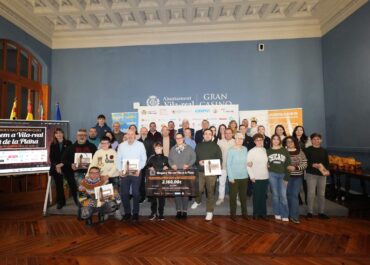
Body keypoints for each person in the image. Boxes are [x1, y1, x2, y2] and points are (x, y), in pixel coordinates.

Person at [116, 129, 147, 222]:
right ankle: (127, 213)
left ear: (135, 135)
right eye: (128, 134)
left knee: (136, 193)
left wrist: (139, 169)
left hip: (136, 172)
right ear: (126, 135)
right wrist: (119, 170)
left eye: (132, 134)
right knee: (124, 193)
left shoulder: (140, 145)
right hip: (124, 173)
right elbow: (118, 159)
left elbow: (143, 159)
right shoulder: (121, 146)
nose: (130, 136)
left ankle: (136, 213)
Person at [192, 129, 223, 221]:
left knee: (210, 190)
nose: (208, 135)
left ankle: (209, 211)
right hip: (200, 171)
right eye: (206, 134)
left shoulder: (216, 146)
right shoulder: (198, 146)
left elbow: (220, 159)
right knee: (199, 189)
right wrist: (198, 162)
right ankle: (198, 201)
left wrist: (215, 165)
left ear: (212, 135)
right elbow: (195, 158)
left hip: (211, 172)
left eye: (210, 134)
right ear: (203, 135)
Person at [62, 129, 97, 206]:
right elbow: (63, 160)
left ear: (86, 136)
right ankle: (84, 209)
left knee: (91, 190)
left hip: (91, 174)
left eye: (84, 135)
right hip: (78, 173)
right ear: (76, 136)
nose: (82, 137)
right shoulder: (70, 148)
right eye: (80, 135)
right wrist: (71, 164)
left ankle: (91, 208)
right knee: (82, 191)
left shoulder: (92, 146)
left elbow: (97, 159)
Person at [169, 133, 196, 219]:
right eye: (177, 138)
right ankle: (178, 210)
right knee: (177, 193)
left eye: (180, 138)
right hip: (176, 173)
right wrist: (172, 165)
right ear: (175, 139)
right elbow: (169, 159)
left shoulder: (189, 148)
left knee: (185, 193)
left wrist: (188, 165)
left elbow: (194, 158)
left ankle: (184, 211)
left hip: (186, 173)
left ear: (183, 138)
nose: (179, 139)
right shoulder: (173, 149)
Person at [304, 133, 330, 219]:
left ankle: (321, 212)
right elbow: (305, 162)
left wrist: (328, 170)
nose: (316, 140)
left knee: (321, 194)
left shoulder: (324, 150)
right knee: (311, 193)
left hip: (322, 175)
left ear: (321, 140)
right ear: (311, 141)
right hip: (311, 174)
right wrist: (312, 165)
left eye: (318, 139)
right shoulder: (307, 150)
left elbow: (327, 162)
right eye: (314, 139)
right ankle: (310, 212)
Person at [267, 134, 291, 222]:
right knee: (275, 195)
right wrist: (267, 165)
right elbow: (265, 163)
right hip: (272, 174)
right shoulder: (268, 151)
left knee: (283, 196)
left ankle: (285, 214)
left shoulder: (284, 150)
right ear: (272, 141)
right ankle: (277, 213)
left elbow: (288, 164)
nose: (276, 141)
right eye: (274, 139)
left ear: (280, 141)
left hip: (283, 175)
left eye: (277, 139)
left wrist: (287, 178)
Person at [284, 136, 307, 224]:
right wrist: (286, 167)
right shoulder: (284, 151)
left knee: (294, 195)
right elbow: (280, 164)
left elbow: (305, 164)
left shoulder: (300, 152)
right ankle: (288, 214)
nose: (289, 143)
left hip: (297, 177)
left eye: (291, 141)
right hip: (286, 177)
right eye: (287, 142)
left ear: (294, 142)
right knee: (287, 195)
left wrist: (295, 167)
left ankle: (294, 216)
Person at [247, 133, 269, 219]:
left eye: (261, 140)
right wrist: (251, 176)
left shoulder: (265, 150)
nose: (259, 141)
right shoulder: (251, 151)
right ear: (254, 141)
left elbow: (267, 163)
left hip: (265, 176)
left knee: (263, 196)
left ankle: (263, 213)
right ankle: (256, 213)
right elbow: (248, 165)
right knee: (256, 196)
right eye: (257, 140)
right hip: (255, 177)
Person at [227, 132, 249, 221]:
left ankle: (245, 213)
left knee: (243, 196)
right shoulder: (231, 150)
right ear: (234, 139)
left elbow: (247, 161)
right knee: (233, 197)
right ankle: (233, 214)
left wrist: (249, 163)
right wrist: (230, 177)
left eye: (241, 139)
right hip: (234, 178)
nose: (239, 140)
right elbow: (228, 164)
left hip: (244, 176)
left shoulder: (245, 149)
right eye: (237, 138)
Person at [49, 128, 72, 209]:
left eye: (60, 133)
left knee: (73, 184)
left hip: (66, 166)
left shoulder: (68, 143)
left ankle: (77, 200)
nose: (59, 134)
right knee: (59, 185)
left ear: (63, 134)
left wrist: (61, 164)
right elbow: (51, 157)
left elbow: (70, 156)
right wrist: (56, 166)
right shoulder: (53, 144)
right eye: (57, 133)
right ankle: (61, 202)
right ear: (55, 135)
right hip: (56, 167)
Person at [146, 142, 170, 221]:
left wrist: (167, 167)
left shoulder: (166, 158)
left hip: (162, 181)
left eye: (159, 148)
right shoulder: (151, 158)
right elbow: (147, 165)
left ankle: (161, 213)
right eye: (156, 148)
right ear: (154, 149)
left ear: (162, 148)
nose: (157, 150)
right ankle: (153, 213)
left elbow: (170, 168)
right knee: (153, 198)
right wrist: (150, 167)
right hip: (153, 182)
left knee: (161, 198)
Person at [292, 125, 310, 205]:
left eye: (301, 130)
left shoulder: (307, 140)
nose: (299, 131)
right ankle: (298, 199)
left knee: (305, 183)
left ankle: (307, 199)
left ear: (303, 131)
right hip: (295, 163)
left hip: (305, 164)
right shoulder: (292, 140)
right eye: (297, 130)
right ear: (295, 131)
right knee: (296, 183)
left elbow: (310, 152)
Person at [216, 128, 235, 205]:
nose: (228, 134)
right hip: (222, 166)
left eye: (229, 133)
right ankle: (221, 198)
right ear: (224, 134)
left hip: (233, 168)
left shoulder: (235, 142)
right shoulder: (220, 142)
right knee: (222, 183)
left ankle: (235, 198)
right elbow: (217, 154)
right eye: (226, 133)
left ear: (232, 134)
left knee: (234, 184)